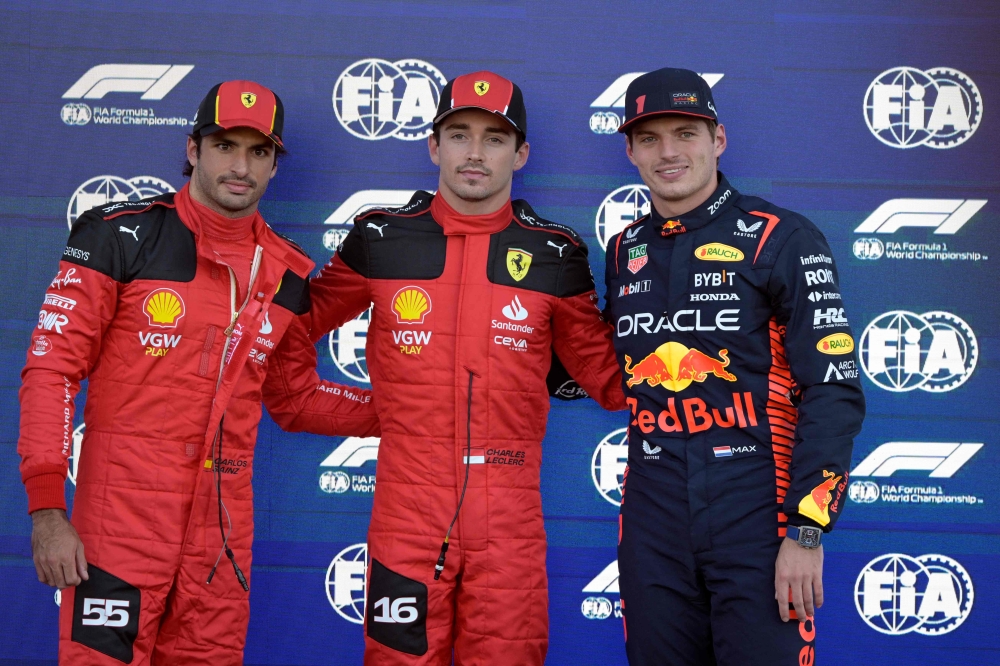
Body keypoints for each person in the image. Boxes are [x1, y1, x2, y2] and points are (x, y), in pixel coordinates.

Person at [19, 80, 379, 665]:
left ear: (273, 164)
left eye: (258, 152)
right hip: (120, 524)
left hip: (222, 538)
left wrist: (407, 410)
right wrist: (47, 510)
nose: (241, 167)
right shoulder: (120, 235)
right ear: (193, 150)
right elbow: (52, 370)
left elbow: (295, 399)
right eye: (224, 145)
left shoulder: (284, 274)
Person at [306, 70, 626, 664]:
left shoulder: (556, 253)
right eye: (459, 134)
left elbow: (610, 380)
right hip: (407, 510)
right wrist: (351, 412)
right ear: (433, 146)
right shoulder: (380, 237)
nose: (475, 153)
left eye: (495, 138)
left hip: (509, 513)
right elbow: (286, 333)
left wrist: (697, 344)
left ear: (521, 153)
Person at [604, 68, 865, 665]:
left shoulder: (782, 236)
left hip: (760, 515)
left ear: (717, 139)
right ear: (630, 151)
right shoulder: (624, 249)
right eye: (649, 138)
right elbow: (600, 364)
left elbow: (832, 389)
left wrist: (806, 530)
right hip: (652, 519)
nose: (668, 152)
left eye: (685, 132)